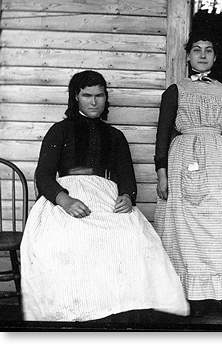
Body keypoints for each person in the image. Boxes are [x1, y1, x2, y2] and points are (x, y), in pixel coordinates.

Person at [20, 70, 190, 322]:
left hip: (104, 195)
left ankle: (116, 308)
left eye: (99, 95)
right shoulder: (60, 131)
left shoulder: (114, 136)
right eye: (87, 95)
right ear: (75, 97)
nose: (93, 101)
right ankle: (78, 307)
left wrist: (127, 196)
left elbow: (125, 175)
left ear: (105, 98)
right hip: (65, 196)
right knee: (68, 241)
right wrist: (64, 200)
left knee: (132, 238)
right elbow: (43, 175)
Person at [153, 31, 222, 316]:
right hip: (184, 159)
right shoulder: (176, 90)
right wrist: (161, 172)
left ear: (215, 56)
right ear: (187, 56)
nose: (202, 55)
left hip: (220, 161)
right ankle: (189, 295)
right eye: (196, 50)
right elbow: (163, 134)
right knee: (185, 228)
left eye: (208, 50)